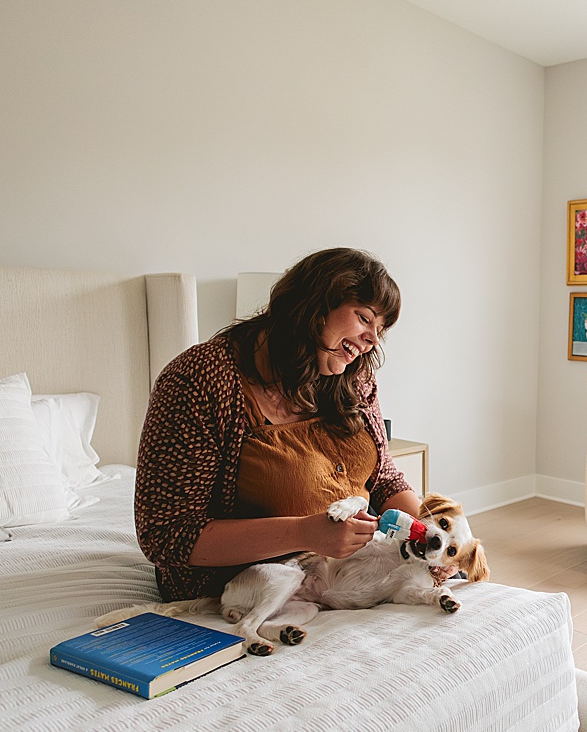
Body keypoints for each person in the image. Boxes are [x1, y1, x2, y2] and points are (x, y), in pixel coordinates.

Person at [134, 248, 427, 602]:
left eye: (380, 329)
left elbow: (383, 479)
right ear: (316, 304)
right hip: (246, 590)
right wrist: (303, 533)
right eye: (365, 318)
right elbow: (166, 535)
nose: (373, 340)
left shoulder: (354, 377)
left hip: (346, 573)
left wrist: (431, 535)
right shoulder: (201, 379)